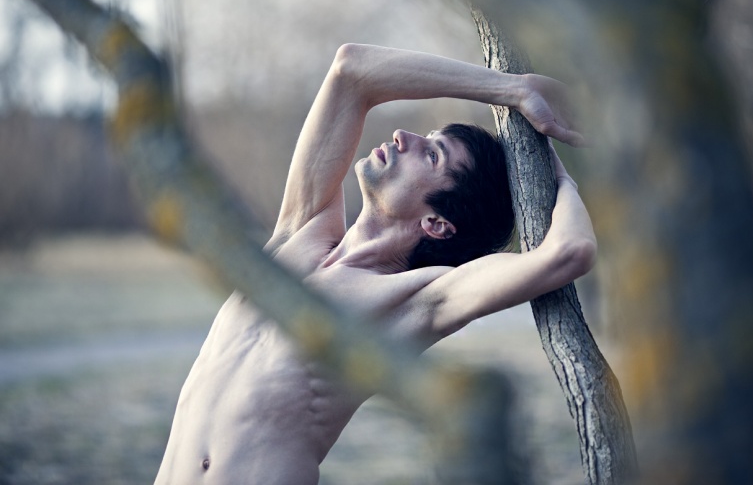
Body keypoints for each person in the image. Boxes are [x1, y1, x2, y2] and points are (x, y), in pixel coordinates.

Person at [154, 44, 594, 485]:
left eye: (432, 155)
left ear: (437, 224)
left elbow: (568, 252)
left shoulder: (418, 299)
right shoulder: (298, 233)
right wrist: (512, 90)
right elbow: (352, 69)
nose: (404, 136)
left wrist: (560, 177)